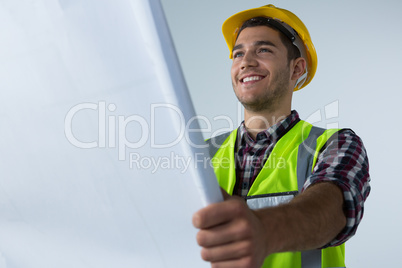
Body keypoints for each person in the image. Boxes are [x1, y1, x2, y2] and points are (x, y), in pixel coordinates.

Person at [192, 4, 370, 268]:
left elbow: (335, 208)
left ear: (296, 69)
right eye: (238, 54)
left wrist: (264, 230)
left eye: (263, 50)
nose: (246, 62)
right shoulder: (199, 153)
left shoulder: (335, 144)